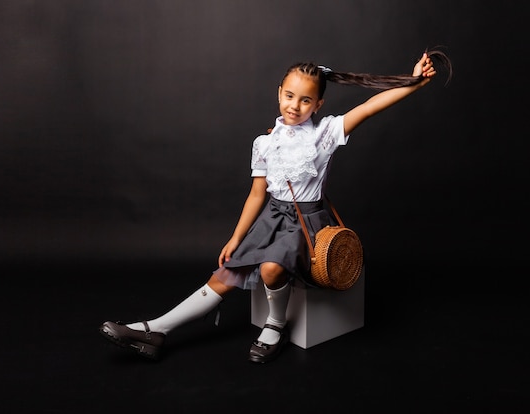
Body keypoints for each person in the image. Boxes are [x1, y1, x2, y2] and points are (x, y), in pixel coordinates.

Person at [99, 48, 452, 363]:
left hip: (307, 222)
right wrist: (236, 238)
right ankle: (156, 330)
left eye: (305, 100)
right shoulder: (265, 142)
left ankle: (276, 324)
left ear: (318, 105)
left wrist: (416, 82)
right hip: (271, 218)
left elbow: (370, 106)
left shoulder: (325, 133)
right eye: (289, 96)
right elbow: (257, 195)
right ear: (278, 93)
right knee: (223, 278)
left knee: (270, 268)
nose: (294, 106)